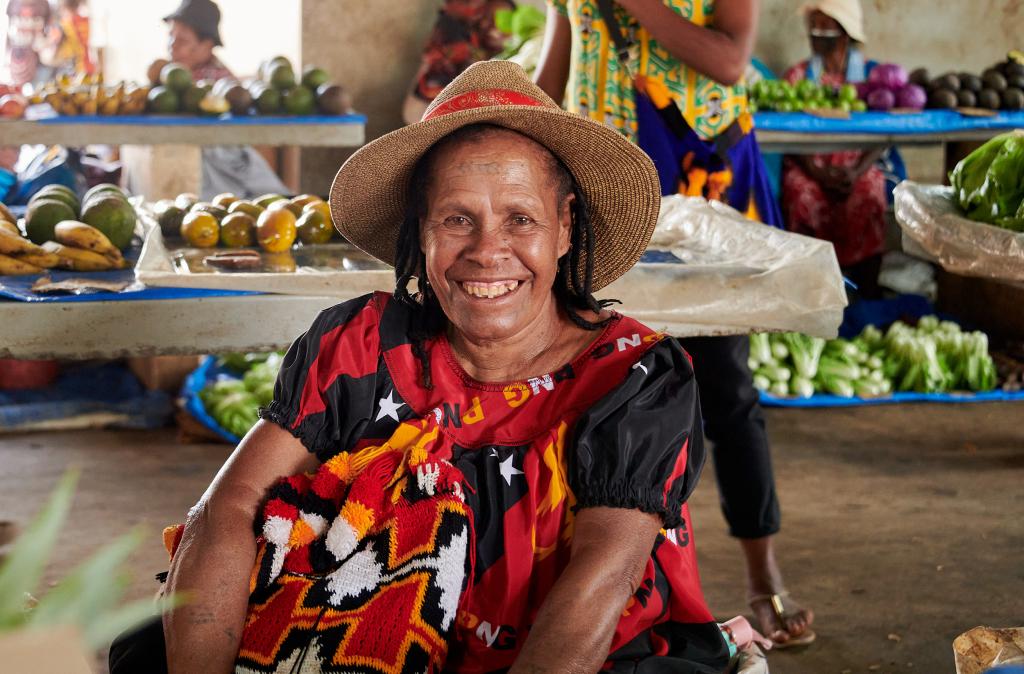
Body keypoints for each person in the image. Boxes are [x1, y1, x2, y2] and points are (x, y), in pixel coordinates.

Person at [109, 60, 731, 674]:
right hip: (371, 630)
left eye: (521, 219)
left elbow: (604, 575)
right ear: (422, 232)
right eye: (457, 219)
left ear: (565, 227)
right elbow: (228, 507)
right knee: (147, 649)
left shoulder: (633, 376)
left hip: (568, 652)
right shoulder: (363, 345)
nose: (488, 252)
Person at [534, 0, 815, 649]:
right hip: (604, 185)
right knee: (600, 378)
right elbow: (558, 58)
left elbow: (731, 59)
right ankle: (604, 585)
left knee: (725, 384)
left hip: (698, 184)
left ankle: (760, 569)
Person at [781, 0, 887, 297]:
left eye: (825, 28)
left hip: (857, 165)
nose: (816, 34)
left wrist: (855, 171)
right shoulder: (796, 77)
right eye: (813, 27)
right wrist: (817, 172)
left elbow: (883, 135)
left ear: (845, 33)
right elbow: (785, 133)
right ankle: (807, 289)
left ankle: (867, 292)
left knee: (870, 191)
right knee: (801, 194)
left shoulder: (872, 78)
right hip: (810, 167)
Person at [139, 0, 288, 200]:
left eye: (182, 41)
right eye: (170, 37)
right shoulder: (173, 79)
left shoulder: (216, 82)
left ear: (207, 45)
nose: (172, 46)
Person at [402, 0, 515, 125]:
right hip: (424, 114)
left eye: (500, 22)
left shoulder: (503, 60)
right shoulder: (455, 33)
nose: (485, 24)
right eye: (484, 17)